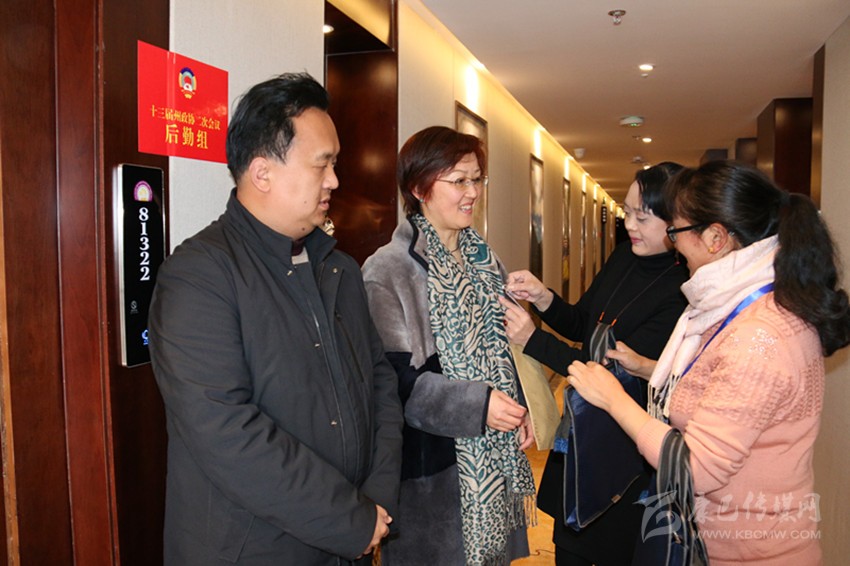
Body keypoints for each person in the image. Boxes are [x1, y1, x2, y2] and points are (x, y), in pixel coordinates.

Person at [148, 73, 403, 566]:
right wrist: (348, 518)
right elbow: (225, 429)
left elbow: (380, 384)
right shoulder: (199, 276)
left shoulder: (340, 269)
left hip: (350, 535)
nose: (334, 180)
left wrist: (376, 500)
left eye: (335, 163)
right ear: (262, 173)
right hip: (253, 548)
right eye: (322, 164)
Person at [567, 160, 850, 565]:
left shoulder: (760, 334)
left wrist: (614, 400)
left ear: (715, 238)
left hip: (751, 553)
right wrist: (647, 369)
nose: (674, 245)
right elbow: (724, 392)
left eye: (677, 231)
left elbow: (696, 468)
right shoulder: (742, 307)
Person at [361, 126, 536, 565]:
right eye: (459, 180)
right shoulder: (389, 270)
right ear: (419, 188)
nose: (472, 192)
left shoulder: (484, 260)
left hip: (494, 456)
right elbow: (394, 381)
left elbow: (503, 351)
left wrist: (522, 406)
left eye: (477, 179)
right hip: (432, 469)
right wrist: (478, 404)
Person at [501, 162, 689, 566]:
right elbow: (583, 323)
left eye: (643, 217)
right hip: (580, 435)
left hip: (623, 452)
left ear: (676, 221)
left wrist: (532, 340)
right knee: (569, 550)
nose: (630, 224)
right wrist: (543, 298)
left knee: (610, 550)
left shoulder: (681, 291)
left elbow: (606, 376)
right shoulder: (624, 256)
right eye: (627, 211)